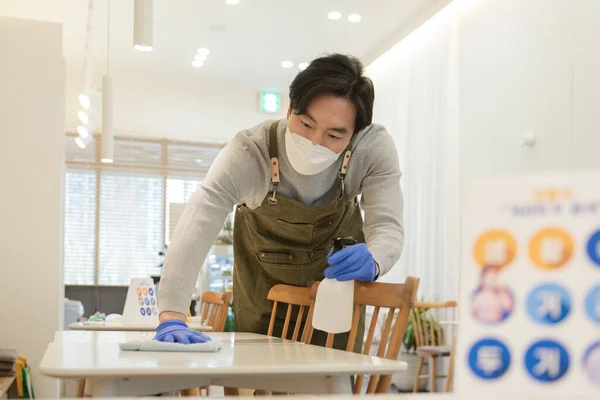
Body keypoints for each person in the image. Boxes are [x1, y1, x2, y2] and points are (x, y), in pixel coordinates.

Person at [155, 54, 404, 349]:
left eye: (334, 135)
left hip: (332, 301)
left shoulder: (371, 149)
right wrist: (172, 312)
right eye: (306, 124)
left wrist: (375, 259)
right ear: (289, 110)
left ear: (355, 135)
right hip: (262, 301)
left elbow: (387, 224)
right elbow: (198, 222)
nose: (315, 142)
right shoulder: (249, 153)